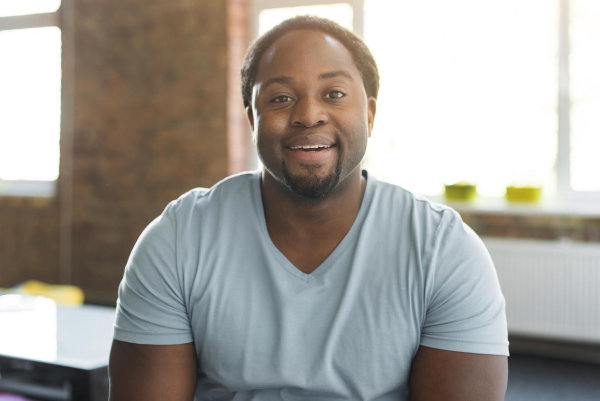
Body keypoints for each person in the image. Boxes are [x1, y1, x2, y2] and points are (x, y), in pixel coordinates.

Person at [108, 15, 509, 401]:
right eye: (281, 98)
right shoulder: (179, 238)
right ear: (253, 119)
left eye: (334, 94)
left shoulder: (443, 250)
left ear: (369, 114)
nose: (308, 115)